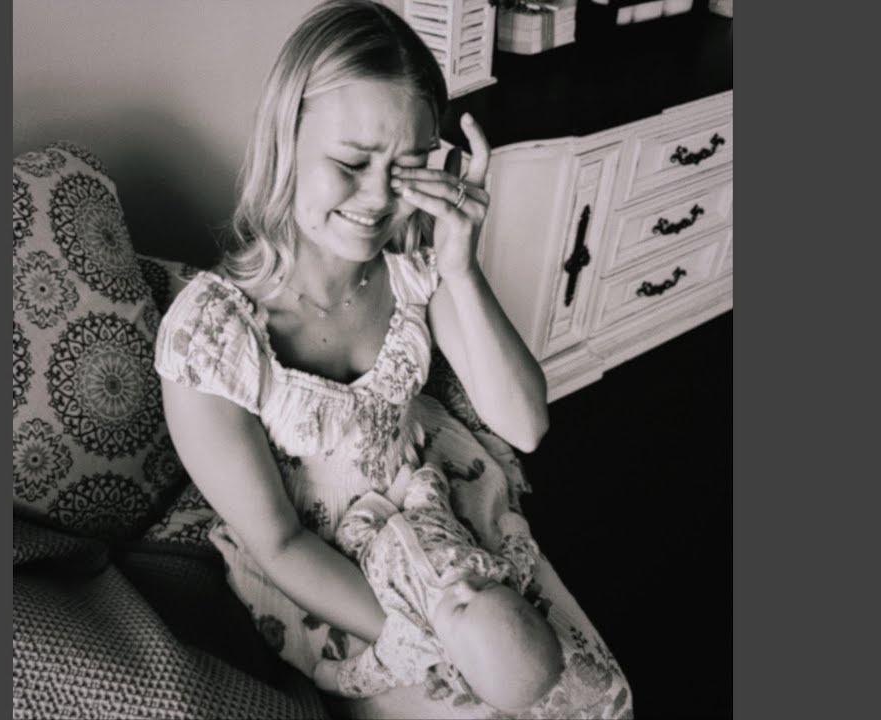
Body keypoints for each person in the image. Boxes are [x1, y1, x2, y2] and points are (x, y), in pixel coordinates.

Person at [156, 1, 632, 717]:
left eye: (408, 167)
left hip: (436, 512)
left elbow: (526, 425)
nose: (380, 198)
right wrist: (427, 628)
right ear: (285, 140)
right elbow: (280, 543)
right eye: (351, 163)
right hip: (328, 576)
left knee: (591, 694)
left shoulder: (410, 268)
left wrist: (461, 268)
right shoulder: (211, 341)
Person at [313, 463, 564, 714]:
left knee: (347, 534)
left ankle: (386, 502)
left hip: (371, 545)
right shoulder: (503, 576)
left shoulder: (414, 642)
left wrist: (335, 679)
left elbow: (374, 672)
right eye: (485, 587)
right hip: (428, 513)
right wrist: (514, 527)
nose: (464, 586)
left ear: (455, 664)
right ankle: (403, 494)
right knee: (430, 476)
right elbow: (521, 557)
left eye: (460, 608)